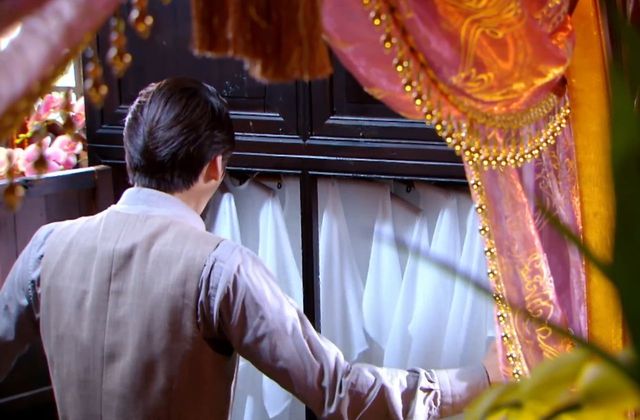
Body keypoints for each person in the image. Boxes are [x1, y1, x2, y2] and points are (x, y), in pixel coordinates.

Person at [0, 77, 499, 419]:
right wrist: (479, 378)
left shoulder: (46, 246)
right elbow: (338, 391)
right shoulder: (219, 269)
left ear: (130, 158)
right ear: (216, 166)